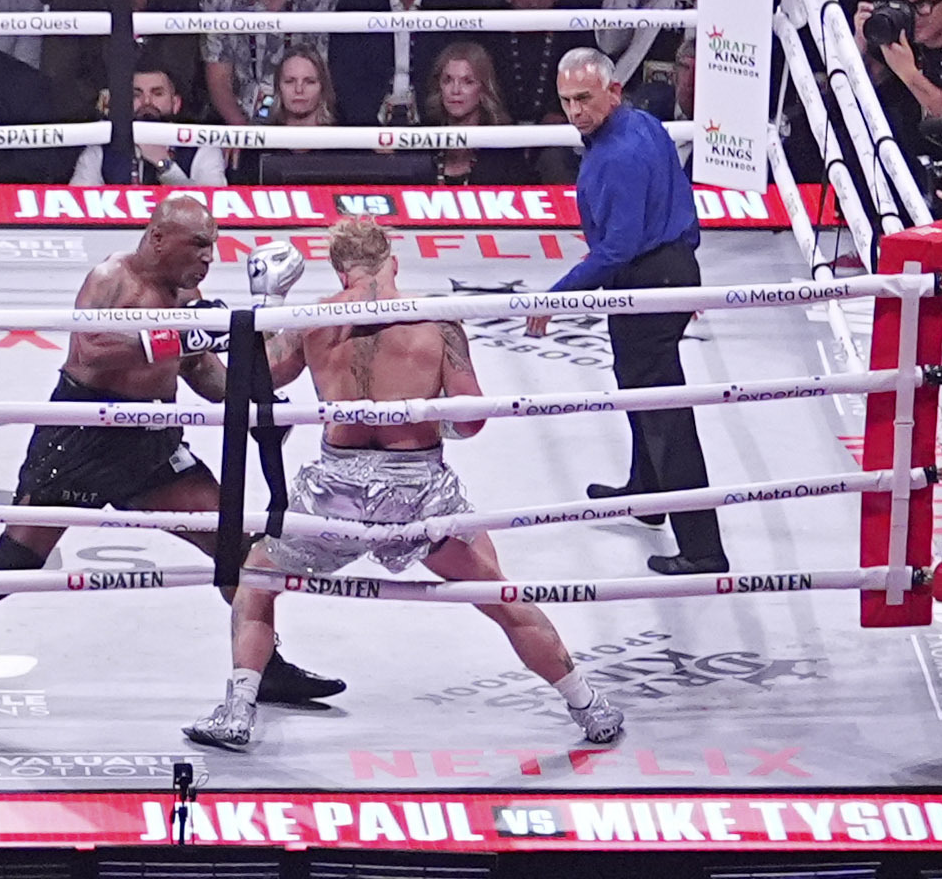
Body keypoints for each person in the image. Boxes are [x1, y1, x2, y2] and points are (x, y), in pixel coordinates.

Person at [0, 194, 336, 720]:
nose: (209, 257)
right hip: (82, 439)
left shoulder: (188, 295)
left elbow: (199, 372)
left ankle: (263, 668)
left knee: (237, 549)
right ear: (159, 237)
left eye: (214, 246)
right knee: (12, 563)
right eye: (199, 244)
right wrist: (175, 334)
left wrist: (255, 398)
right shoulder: (112, 277)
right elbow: (91, 348)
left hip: (152, 446)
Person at [194, 213, 625, 753]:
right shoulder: (436, 322)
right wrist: (422, 416)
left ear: (337, 268)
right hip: (418, 492)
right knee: (499, 593)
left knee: (255, 582)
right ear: (391, 261)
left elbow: (256, 380)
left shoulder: (312, 320)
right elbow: (470, 419)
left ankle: (237, 712)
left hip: (336, 492)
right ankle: (590, 708)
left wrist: (267, 307)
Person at [545, 51, 725, 580]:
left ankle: (703, 547)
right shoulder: (642, 123)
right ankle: (648, 494)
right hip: (667, 269)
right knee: (640, 391)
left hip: (649, 279)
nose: (575, 111)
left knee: (664, 411)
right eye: (566, 101)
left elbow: (616, 248)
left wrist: (554, 297)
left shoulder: (619, 154)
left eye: (584, 99)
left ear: (613, 91)